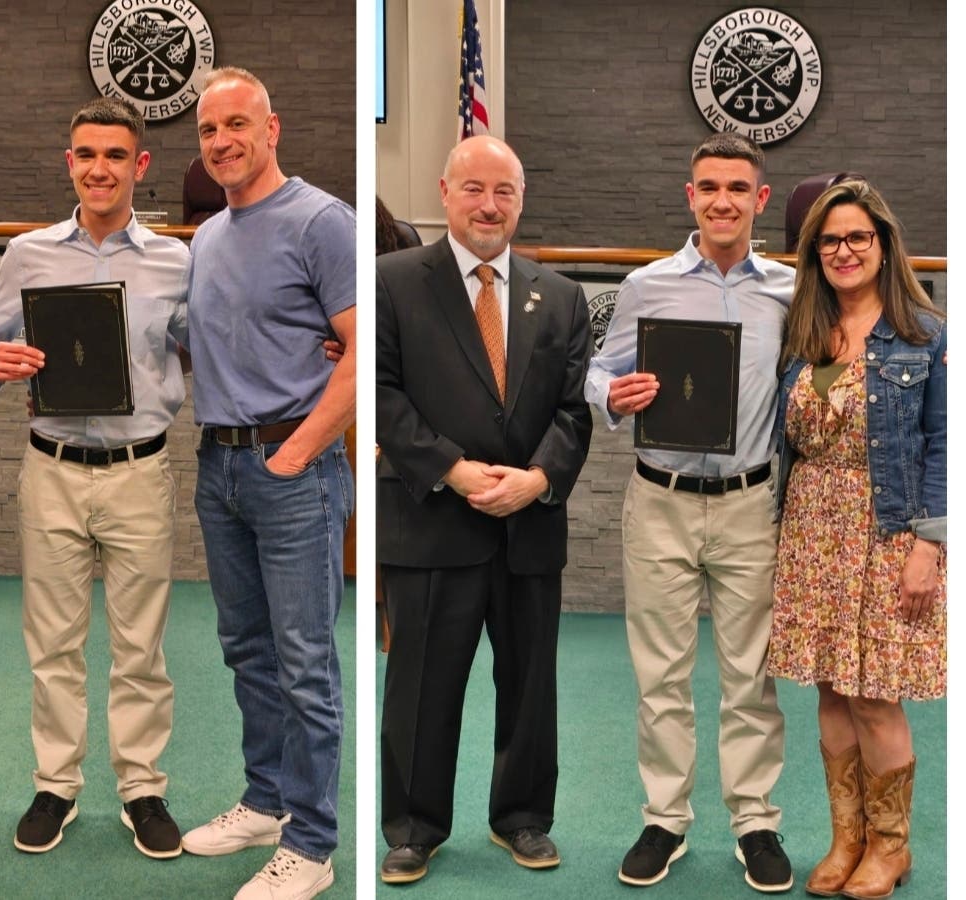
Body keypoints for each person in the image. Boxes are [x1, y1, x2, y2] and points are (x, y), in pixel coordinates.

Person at [0, 97, 189, 859]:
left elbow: (212, 345)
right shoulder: (29, 253)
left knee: (141, 646)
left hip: (139, 470)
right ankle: (56, 785)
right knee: (53, 642)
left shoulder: (175, 261)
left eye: (116, 156)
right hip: (52, 468)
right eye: (87, 154)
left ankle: (142, 787)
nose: (100, 168)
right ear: (70, 162)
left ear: (140, 166)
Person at [376, 135, 594, 884]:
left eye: (503, 190)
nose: (489, 205)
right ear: (444, 192)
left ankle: (523, 819)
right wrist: (456, 472)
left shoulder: (560, 297)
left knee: (531, 685)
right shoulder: (392, 282)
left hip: (529, 528)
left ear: (521, 200)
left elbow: (573, 413)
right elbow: (380, 397)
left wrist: (538, 480)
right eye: (474, 188)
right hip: (432, 522)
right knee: (420, 686)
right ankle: (413, 827)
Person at [584, 132, 795, 893]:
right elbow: (599, 371)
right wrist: (611, 394)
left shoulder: (788, 289)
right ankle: (666, 819)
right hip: (661, 500)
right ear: (690, 196)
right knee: (661, 676)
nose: (723, 201)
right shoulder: (647, 286)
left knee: (751, 674)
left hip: (750, 504)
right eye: (709, 187)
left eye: (738, 188)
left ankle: (756, 821)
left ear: (759, 199)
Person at [177, 67, 355, 900]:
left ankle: (313, 847)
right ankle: (266, 801)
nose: (223, 142)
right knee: (246, 649)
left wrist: (300, 450)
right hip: (220, 467)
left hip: (293, 471)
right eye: (210, 130)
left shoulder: (322, 221)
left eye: (238, 125)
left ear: (272, 128)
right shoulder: (208, 234)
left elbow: (362, 348)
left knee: (305, 662)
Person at [767, 179, 945, 899]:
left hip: (887, 529)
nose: (843, 251)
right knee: (833, 690)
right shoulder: (803, 332)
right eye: (829, 240)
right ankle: (848, 839)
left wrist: (929, 545)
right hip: (812, 525)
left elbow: (944, 445)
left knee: (877, 695)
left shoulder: (926, 336)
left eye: (857, 238)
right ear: (813, 253)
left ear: (883, 245)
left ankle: (891, 847)